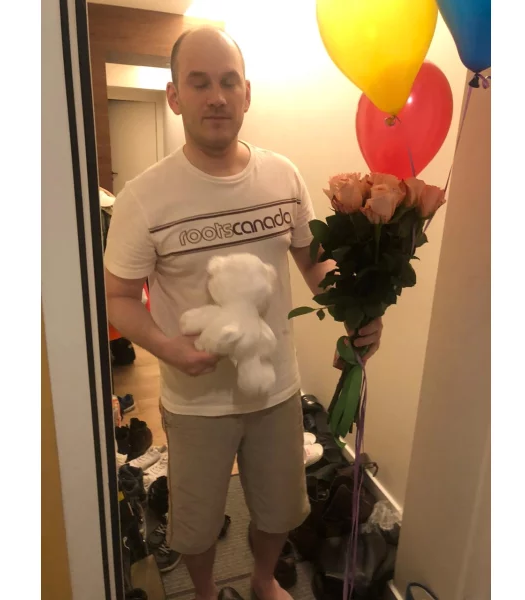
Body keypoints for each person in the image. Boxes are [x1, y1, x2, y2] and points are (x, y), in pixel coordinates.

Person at [104, 26, 383, 600]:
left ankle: (261, 580)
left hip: (276, 388)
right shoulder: (143, 197)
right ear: (174, 96)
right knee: (196, 523)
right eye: (199, 83)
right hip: (196, 400)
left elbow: (313, 262)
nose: (217, 97)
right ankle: (207, 592)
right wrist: (170, 348)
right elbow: (118, 297)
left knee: (281, 508)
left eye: (229, 82)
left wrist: (358, 310)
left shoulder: (283, 176)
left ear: (247, 93)